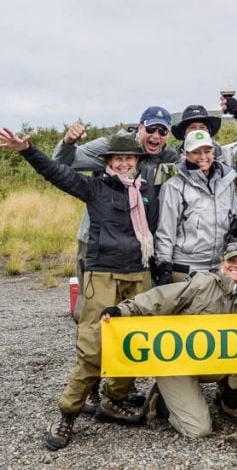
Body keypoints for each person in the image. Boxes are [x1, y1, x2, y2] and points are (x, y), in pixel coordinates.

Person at [0, 128, 158, 450]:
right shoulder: (95, 188)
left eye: (130, 158)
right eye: (119, 158)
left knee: (135, 343)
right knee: (93, 349)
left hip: (139, 275)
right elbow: (57, 172)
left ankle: (113, 398)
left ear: (137, 161)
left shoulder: (147, 193)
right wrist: (27, 150)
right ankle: (68, 413)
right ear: (109, 162)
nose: (125, 163)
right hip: (102, 276)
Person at [99, 241, 237, 438]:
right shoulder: (203, 283)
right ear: (221, 262)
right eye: (231, 260)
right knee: (199, 430)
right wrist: (123, 310)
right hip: (178, 364)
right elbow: (160, 299)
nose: (236, 265)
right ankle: (162, 401)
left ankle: (230, 404)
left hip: (212, 363)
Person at [51, 107, 177, 322]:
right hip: (99, 242)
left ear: (168, 135)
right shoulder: (111, 145)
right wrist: (68, 142)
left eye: (162, 131)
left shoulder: (171, 158)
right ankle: (92, 353)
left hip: (141, 246)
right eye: (151, 129)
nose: (156, 136)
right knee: (92, 309)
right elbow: (63, 164)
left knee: (134, 312)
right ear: (140, 127)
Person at [154, 130, 237, 284]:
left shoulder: (227, 180)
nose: (203, 157)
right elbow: (165, 230)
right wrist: (164, 264)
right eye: (196, 152)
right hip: (186, 268)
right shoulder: (174, 186)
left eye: (207, 151)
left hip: (219, 267)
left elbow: (235, 211)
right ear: (186, 154)